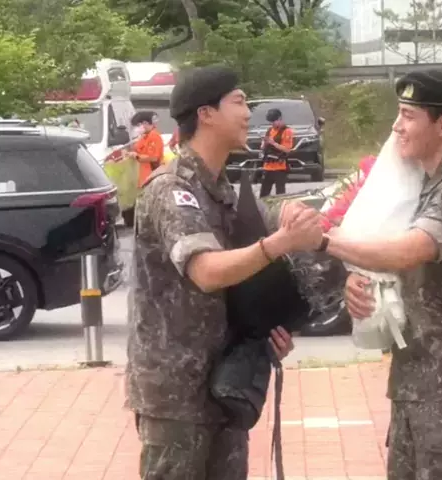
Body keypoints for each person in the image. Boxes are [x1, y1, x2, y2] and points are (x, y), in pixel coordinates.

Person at [125, 64, 324, 480]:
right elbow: (206, 271)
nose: (249, 113)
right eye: (239, 102)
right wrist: (278, 243)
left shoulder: (222, 192)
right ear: (206, 114)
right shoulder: (171, 189)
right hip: (177, 394)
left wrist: (266, 333)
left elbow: (261, 257)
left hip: (227, 383)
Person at [323, 68, 442, 479]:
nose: (396, 126)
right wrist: (358, 282)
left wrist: (324, 241)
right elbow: (391, 260)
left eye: (408, 115)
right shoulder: (420, 186)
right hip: (415, 380)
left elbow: (409, 251)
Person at [259, 108, 293, 198]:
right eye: (271, 122)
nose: (272, 124)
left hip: (279, 167)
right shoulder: (269, 130)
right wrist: (264, 143)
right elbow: (262, 147)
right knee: (264, 194)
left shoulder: (287, 131)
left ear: (280, 119)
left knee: (280, 194)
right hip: (267, 166)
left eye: (274, 121)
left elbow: (287, 149)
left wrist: (273, 143)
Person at [129, 110, 165, 188]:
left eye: (138, 125)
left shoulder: (154, 136)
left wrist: (136, 156)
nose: (136, 128)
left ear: (145, 123)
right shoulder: (144, 136)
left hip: (152, 178)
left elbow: (154, 158)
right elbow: (136, 148)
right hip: (144, 180)